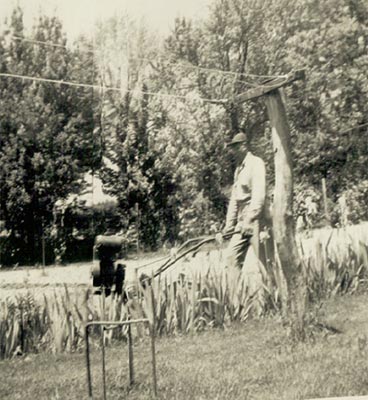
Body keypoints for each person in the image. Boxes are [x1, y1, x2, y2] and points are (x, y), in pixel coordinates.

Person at [219, 131, 269, 271]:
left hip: (257, 221)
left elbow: (258, 196)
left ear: (244, 146)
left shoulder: (256, 163)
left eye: (235, 147)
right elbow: (235, 200)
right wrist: (229, 226)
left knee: (264, 263)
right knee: (231, 258)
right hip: (242, 222)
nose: (233, 151)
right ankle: (237, 292)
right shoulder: (238, 170)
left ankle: (274, 292)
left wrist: (249, 220)